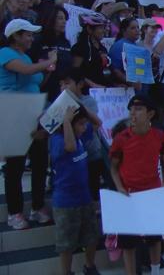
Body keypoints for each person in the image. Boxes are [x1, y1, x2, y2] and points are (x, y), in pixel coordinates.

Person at [109, 95, 164, 275]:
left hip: (152, 193)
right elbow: (113, 168)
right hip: (128, 194)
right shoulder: (121, 138)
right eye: (131, 109)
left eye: (138, 109)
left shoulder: (160, 137)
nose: (132, 113)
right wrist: (119, 187)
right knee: (127, 242)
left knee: (154, 238)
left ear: (150, 113)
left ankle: (155, 271)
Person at [1, 19, 56, 230]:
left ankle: (37, 206)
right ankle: (15, 212)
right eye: (28, 34)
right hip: (13, 114)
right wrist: (47, 62)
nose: (31, 38)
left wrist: (48, 68)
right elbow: (26, 71)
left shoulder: (26, 57)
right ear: (15, 36)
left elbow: (36, 81)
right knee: (15, 165)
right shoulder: (6, 53)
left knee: (40, 162)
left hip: (34, 113)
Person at [50, 107, 101, 275]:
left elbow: (97, 123)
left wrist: (82, 107)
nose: (84, 127)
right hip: (65, 202)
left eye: (83, 124)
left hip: (84, 198)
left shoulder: (81, 137)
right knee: (67, 244)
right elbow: (70, 147)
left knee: (92, 237)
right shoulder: (57, 140)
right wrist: (66, 120)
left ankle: (90, 266)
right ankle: (66, 272)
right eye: (80, 124)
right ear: (69, 126)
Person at [58, 68, 106, 202]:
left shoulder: (88, 101)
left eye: (67, 83)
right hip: (72, 158)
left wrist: (74, 101)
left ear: (80, 84)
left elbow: (95, 123)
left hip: (91, 153)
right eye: (61, 85)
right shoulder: (58, 105)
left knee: (93, 189)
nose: (63, 88)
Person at [27, 5, 72, 102]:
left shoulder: (66, 43)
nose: (64, 22)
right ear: (51, 19)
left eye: (65, 19)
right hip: (41, 92)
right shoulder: (37, 40)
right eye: (60, 18)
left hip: (60, 93)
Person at [71, 13, 111, 88]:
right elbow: (75, 71)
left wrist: (115, 85)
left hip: (103, 91)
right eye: (100, 28)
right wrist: (93, 85)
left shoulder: (103, 49)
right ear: (89, 29)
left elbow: (106, 71)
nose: (104, 31)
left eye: (104, 27)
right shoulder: (79, 48)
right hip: (87, 92)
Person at [108, 17, 144, 91]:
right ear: (124, 31)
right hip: (126, 88)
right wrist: (132, 83)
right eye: (133, 28)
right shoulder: (119, 46)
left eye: (138, 27)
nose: (137, 30)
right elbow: (115, 70)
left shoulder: (136, 45)